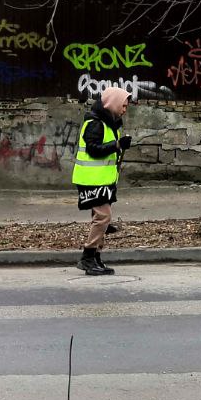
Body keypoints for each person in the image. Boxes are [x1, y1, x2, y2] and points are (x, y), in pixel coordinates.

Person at [72, 87, 132, 276]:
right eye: (123, 105)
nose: (124, 109)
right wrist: (117, 145)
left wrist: (119, 145)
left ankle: (96, 257)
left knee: (102, 219)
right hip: (91, 180)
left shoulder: (108, 123)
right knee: (103, 218)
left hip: (102, 180)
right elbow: (93, 149)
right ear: (112, 103)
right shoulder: (95, 123)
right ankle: (88, 257)